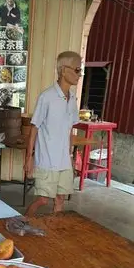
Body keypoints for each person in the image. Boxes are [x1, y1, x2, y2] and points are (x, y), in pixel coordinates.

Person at [24, 51, 82, 216]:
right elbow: (34, 128)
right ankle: (22, 224)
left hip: (63, 161)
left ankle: (55, 233)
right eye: (77, 70)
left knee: (60, 199)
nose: (79, 74)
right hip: (47, 160)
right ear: (64, 70)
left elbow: (70, 130)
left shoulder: (72, 98)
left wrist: (70, 157)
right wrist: (29, 158)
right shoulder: (47, 97)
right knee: (43, 200)